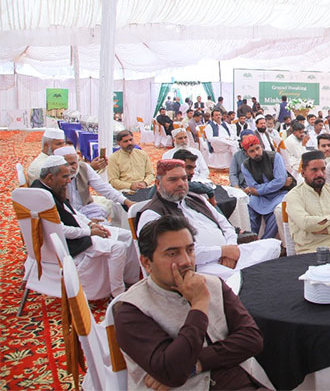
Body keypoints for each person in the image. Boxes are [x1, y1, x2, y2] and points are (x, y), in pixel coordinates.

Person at [113, 215, 270, 390]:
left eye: (189, 250)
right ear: (147, 263)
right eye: (172, 253)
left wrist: (198, 363)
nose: (186, 261)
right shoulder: (132, 311)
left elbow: (252, 339)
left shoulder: (213, 283)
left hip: (239, 382)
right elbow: (172, 371)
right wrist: (199, 305)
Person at [137, 160, 281, 279]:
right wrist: (222, 251)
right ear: (158, 183)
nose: (181, 183)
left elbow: (226, 226)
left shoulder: (196, 199)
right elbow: (178, 255)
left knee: (273, 245)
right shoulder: (153, 215)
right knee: (239, 278)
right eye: (173, 180)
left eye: (184, 178)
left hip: (229, 253)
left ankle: (245, 277)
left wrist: (231, 249)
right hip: (198, 267)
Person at [31, 155, 139, 297]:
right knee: (117, 247)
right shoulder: (42, 196)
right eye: (65, 177)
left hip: (79, 229)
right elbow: (60, 229)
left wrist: (90, 223)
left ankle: (131, 281)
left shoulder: (50, 188)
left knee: (127, 236)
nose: (69, 181)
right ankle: (118, 294)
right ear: (50, 177)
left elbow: (70, 211)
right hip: (67, 244)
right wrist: (89, 231)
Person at [55, 145, 134, 220]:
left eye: (73, 163)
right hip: (66, 214)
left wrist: (126, 201)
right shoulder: (54, 177)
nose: (71, 167)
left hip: (87, 210)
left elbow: (103, 187)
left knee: (104, 226)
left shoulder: (84, 168)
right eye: (66, 164)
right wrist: (89, 223)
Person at [240, 135, 291, 239]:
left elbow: (279, 181)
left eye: (257, 148)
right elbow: (252, 186)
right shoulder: (245, 165)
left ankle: (265, 240)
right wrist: (259, 190)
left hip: (279, 193)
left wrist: (259, 190)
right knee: (250, 204)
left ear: (261, 146)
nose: (256, 153)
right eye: (252, 151)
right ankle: (251, 238)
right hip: (261, 196)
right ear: (246, 154)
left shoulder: (275, 157)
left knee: (276, 211)